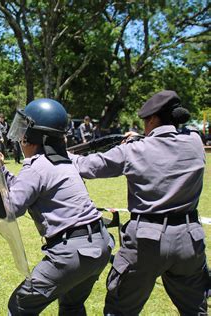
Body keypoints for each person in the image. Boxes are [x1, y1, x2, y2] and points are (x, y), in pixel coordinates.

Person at [69, 90, 208, 315]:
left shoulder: (133, 150)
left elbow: (88, 166)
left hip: (147, 240)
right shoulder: (194, 142)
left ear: (151, 119)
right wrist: (144, 139)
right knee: (195, 310)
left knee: (121, 308)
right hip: (189, 237)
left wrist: (65, 154)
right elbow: (167, 145)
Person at [4, 98, 112, 315]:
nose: (21, 138)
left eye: (24, 131)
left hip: (72, 252)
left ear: (34, 135)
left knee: (20, 305)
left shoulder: (36, 167)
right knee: (72, 306)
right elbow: (25, 187)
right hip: (100, 244)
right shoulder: (65, 160)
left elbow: (11, 208)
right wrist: (2, 172)